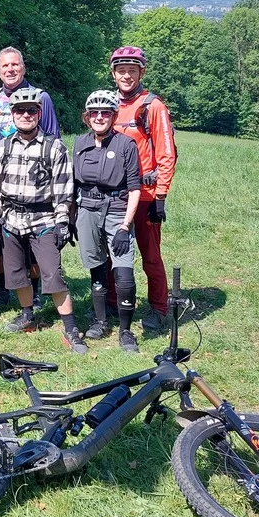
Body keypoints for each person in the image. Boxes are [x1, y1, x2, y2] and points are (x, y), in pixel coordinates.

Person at [0, 88, 86, 354]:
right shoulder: (2, 147)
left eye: (31, 110)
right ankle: (27, 314)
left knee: (52, 273)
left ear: (39, 113)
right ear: (12, 114)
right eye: (20, 111)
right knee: (18, 273)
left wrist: (63, 223)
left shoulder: (54, 147)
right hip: (11, 218)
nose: (25, 115)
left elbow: (64, 190)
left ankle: (71, 328)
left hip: (44, 219)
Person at [107, 46, 176, 333]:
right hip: (117, 194)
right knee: (113, 250)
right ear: (113, 74)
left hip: (146, 195)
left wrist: (160, 196)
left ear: (141, 72)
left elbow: (166, 154)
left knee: (150, 254)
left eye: (132, 70)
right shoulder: (109, 104)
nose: (126, 76)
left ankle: (159, 308)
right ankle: (113, 302)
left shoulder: (152, 106)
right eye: (121, 70)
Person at [73, 90, 142, 353]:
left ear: (113, 116)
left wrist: (125, 225)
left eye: (105, 113)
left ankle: (126, 331)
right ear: (87, 117)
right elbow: (74, 183)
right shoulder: (80, 143)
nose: (99, 117)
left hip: (117, 210)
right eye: (94, 113)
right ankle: (100, 321)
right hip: (87, 210)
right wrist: (69, 219)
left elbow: (135, 187)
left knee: (123, 273)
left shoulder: (126, 145)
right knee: (97, 269)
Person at [0, 47, 60, 138]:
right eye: (5, 66)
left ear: (23, 69)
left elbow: (53, 139)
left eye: (15, 64)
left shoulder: (40, 97)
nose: (10, 69)